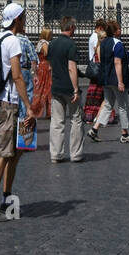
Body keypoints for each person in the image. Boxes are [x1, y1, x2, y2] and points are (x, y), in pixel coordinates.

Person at [0, 2, 38, 221]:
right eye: (23, 17)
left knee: (16, 151)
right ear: (17, 20)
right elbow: (16, 76)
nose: (25, 21)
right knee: (3, 154)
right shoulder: (12, 41)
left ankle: (6, 198)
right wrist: (29, 107)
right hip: (9, 105)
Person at [87, 19, 129, 143]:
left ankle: (94, 129)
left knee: (108, 105)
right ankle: (125, 135)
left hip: (105, 79)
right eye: (119, 28)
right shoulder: (118, 43)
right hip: (116, 79)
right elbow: (117, 62)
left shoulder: (103, 42)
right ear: (115, 31)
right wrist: (120, 81)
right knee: (123, 106)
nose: (120, 30)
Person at [47, 16, 85, 162]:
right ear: (71, 28)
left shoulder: (52, 44)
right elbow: (71, 68)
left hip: (56, 87)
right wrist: (76, 89)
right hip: (69, 88)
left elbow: (51, 67)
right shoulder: (71, 45)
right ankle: (75, 154)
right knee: (76, 119)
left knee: (57, 121)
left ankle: (55, 154)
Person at [83, 20, 107, 126]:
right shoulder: (96, 41)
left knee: (95, 94)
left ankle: (92, 114)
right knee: (100, 94)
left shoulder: (94, 39)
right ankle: (96, 115)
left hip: (95, 70)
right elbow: (100, 59)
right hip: (98, 71)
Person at [32, 28, 53, 118]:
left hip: (41, 66)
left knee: (44, 89)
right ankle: (37, 111)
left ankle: (48, 112)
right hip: (45, 67)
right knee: (45, 89)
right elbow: (47, 54)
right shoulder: (45, 43)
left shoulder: (40, 42)